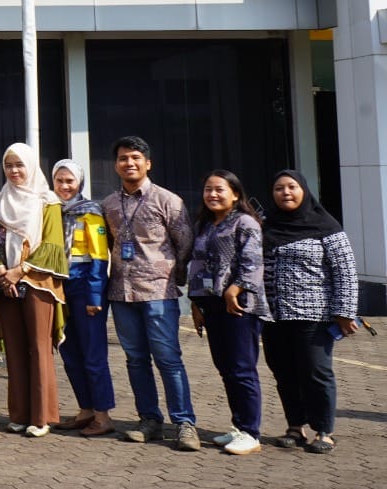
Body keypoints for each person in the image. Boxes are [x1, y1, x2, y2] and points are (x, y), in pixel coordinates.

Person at [102, 135, 199, 451]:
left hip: (158, 291)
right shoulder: (109, 205)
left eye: (135, 158)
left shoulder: (168, 201)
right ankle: (150, 420)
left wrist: (174, 279)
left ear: (147, 163)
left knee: (168, 358)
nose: (129, 163)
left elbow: (185, 244)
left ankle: (184, 423)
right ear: (116, 164)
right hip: (122, 293)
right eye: (122, 158)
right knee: (135, 359)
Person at [261, 169, 359, 455]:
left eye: (291, 187)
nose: (285, 193)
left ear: (304, 190)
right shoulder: (266, 224)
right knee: (284, 372)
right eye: (279, 188)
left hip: (313, 315)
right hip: (274, 314)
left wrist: (344, 312)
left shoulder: (326, 226)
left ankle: (324, 430)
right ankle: (295, 426)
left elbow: (345, 271)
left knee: (316, 372)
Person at [187, 170, 270, 456]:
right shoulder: (205, 224)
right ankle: (238, 426)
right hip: (211, 306)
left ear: (235, 193)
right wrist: (195, 302)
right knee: (226, 369)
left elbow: (252, 262)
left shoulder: (245, 223)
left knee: (242, 369)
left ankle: (251, 432)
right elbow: (197, 265)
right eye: (208, 189)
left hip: (239, 306)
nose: (212, 194)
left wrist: (235, 289)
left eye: (219, 189)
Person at [0, 143, 68, 438]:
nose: (14, 171)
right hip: (6, 285)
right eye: (9, 165)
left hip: (37, 283)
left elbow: (51, 246)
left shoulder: (47, 202)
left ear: (31, 166)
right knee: (15, 349)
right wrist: (2, 272)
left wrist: (19, 271)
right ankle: (19, 414)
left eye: (20, 165)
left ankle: (42, 416)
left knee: (38, 348)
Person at [49, 159, 116, 437]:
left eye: (70, 181)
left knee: (93, 354)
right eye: (59, 181)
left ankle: (103, 415)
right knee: (70, 352)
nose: (64, 187)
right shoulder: (51, 211)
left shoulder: (91, 212)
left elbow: (100, 257)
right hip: (60, 288)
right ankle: (85, 410)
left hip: (86, 288)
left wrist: (95, 295)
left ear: (80, 183)